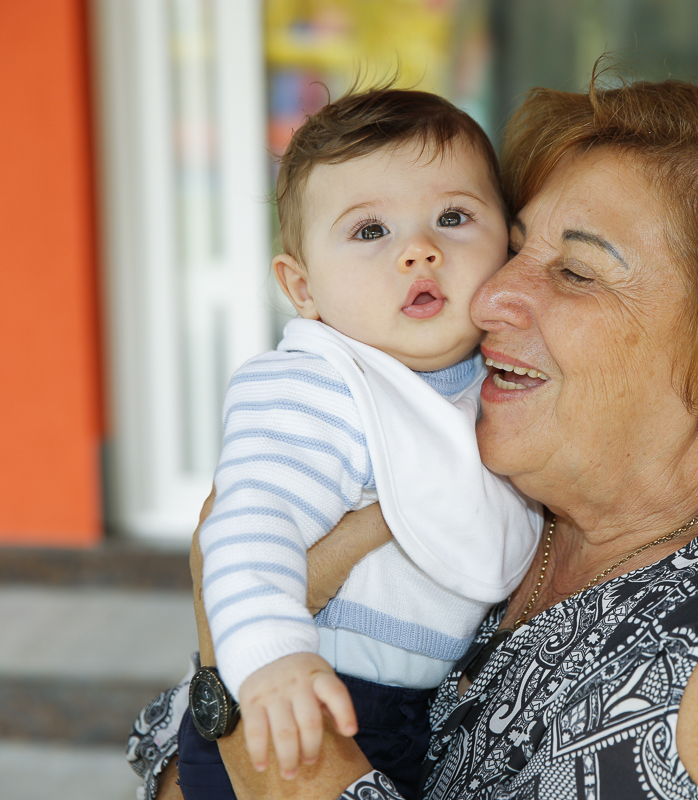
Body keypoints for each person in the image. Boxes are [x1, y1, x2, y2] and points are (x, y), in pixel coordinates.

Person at [132, 76, 698, 800]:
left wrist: (221, 643)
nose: (494, 293)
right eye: (519, 245)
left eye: (575, 272)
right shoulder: (532, 489)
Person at [166, 88, 543, 799]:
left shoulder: (492, 386)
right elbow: (250, 526)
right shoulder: (318, 386)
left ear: (509, 245)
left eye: (453, 218)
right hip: (303, 696)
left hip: (408, 717)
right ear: (302, 287)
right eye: (371, 232)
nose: (419, 250)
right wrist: (271, 658)